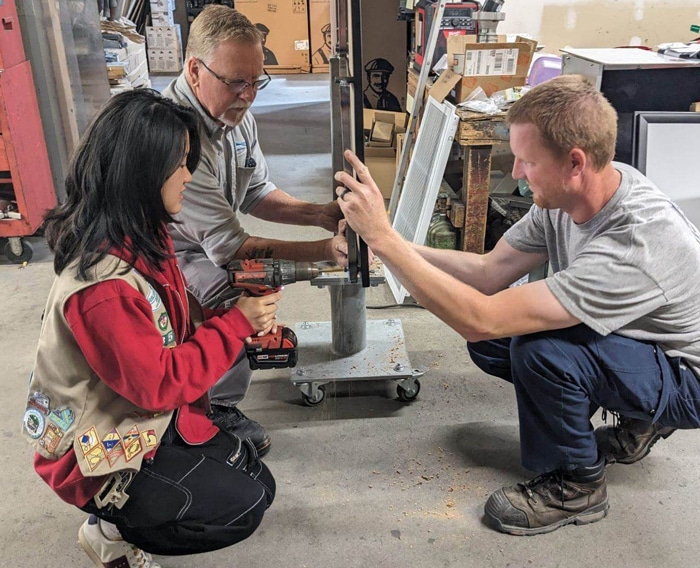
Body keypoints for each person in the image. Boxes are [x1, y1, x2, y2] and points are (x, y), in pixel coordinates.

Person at [334, 74, 700, 536]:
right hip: (641, 340)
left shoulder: (634, 242)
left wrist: (385, 239)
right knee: (499, 345)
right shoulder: (573, 194)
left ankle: (579, 485)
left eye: (526, 161)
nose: (517, 173)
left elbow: (478, 318)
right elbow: (490, 273)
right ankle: (633, 415)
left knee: (540, 352)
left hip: (687, 373)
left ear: (574, 163)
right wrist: (389, 245)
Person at [22, 89, 277, 567]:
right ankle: (110, 526)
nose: (188, 174)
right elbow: (158, 384)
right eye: (179, 163)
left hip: (130, 413)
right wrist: (236, 324)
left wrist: (227, 319)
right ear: (140, 172)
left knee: (259, 483)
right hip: (90, 448)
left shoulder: (141, 230)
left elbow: (170, 325)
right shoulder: (102, 286)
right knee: (239, 509)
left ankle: (131, 504)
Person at [161, 6, 347, 457]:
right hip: (164, 253)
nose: (248, 96)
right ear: (194, 69)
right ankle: (214, 408)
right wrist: (326, 250)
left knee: (254, 280)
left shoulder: (236, 116)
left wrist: (319, 213)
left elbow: (255, 191)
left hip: (205, 241)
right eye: (235, 83)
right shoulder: (176, 135)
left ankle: (215, 385)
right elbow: (232, 249)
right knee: (237, 287)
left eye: (255, 82)